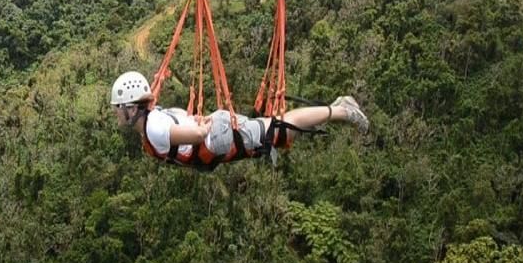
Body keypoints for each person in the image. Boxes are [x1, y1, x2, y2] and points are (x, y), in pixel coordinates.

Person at [110, 71, 369, 169]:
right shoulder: (153, 118)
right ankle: (338, 110)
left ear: (132, 109)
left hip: (220, 135)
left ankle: (343, 110)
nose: (116, 114)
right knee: (278, 128)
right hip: (219, 134)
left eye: (118, 109)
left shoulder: (154, 128)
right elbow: (183, 123)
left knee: (281, 130)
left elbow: (198, 135)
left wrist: (203, 124)